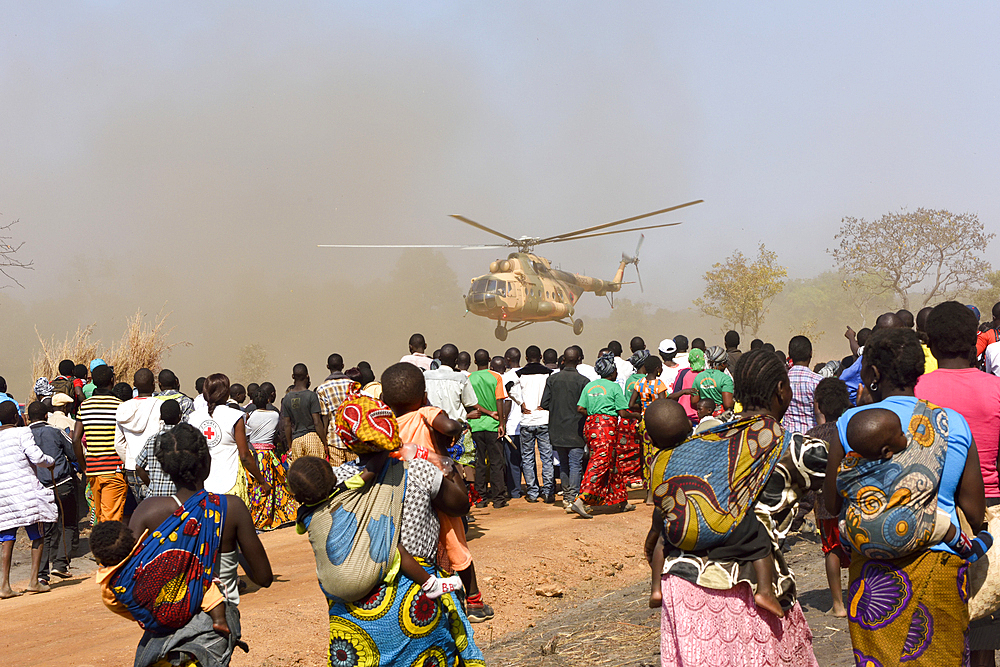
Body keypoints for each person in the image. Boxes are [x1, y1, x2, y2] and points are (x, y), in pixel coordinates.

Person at [825, 327, 985, 665]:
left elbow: (831, 503)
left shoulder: (850, 423)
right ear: (919, 369)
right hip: (940, 567)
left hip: (873, 576)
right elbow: (974, 511)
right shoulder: (953, 423)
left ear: (874, 374)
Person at [655, 349, 819, 666]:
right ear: (781, 390)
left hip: (683, 587)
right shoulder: (795, 448)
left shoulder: (702, 439)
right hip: (746, 589)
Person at [301, 394, 485, 664]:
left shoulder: (334, 480)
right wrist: (443, 456)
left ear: (345, 437)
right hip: (416, 605)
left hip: (355, 619)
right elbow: (460, 506)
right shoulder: (420, 470)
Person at [126, 422, 273, 667]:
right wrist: (229, 544)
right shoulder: (231, 509)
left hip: (161, 629)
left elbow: (127, 571)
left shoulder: (148, 511)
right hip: (214, 629)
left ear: (165, 469)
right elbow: (264, 577)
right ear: (206, 464)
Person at [915, 300, 1000, 664]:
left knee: (936, 638)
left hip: (931, 523)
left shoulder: (913, 390)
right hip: (990, 519)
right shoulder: (996, 389)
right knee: (984, 635)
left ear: (930, 346)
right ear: (973, 344)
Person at [381, 362, 495, 622]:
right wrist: (454, 429)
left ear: (384, 400)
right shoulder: (425, 413)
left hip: (405, 493)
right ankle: (474, 602)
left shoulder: (386, 425)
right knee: (455, 542)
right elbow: (450, 427)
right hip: (438, 489)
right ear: (423, 395)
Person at [90, 519, 230, 636]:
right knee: (201, 580)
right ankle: (219, 620)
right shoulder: (149, 551)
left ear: (98, 556)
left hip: (157, 624)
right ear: (133, 539)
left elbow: (117, 606)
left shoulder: (111, 585)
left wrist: (144, 611)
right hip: (186, 604)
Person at [570, 352, 640, 519]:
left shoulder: (590, 386)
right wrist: (636, 416)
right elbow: (623, 412)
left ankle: (622, 501)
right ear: (612, 372)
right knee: (600, 463)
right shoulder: (614, 387)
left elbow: (580, 408)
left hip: (591, 427)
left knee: (613, 463)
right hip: (606, 428)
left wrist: (595, 414)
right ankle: (580, 501)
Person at [0, 401, 57, 598]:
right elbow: (37, 458)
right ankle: (34, 581)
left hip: (4, 497)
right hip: (26, 495)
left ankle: (4, 585)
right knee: (37, 534)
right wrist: (51, 462)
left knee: (7, 539)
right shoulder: (22, 433)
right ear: (17, 417)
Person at [806, 377, 852, 618]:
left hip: (825, 506)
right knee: (855, 549)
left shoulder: (812, 435)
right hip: (852, 502)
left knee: (831, 550)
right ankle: (857, 597)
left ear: (820, 406)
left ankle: (837, 604)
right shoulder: (850, 428)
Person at [189, 374, 269, 505]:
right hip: (230, 485)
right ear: (226, 393)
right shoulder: (235, 416)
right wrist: (262, 481)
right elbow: (244, 456)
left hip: (202, 486)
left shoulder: (193, 417)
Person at [27, 401, 79, 585]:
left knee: (45, 531)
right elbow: (73, 452)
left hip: (38, 489)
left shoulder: (24, 436)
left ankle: (42, 575)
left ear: (27, 417)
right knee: (68, 524)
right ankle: (61, 564)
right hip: (62, 484)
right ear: (46, 416)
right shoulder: (55, 432)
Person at [74, 364, 126, 523]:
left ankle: (101, 546)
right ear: (112, 380)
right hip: (113, 469)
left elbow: (76, 439)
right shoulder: (119, 406)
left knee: (100, 516)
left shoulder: (85, 406)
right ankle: (108, 547)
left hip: (93, 470)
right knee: (111, 520)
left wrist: (84, 466)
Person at [541, 346, 590, 512]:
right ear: (578, 360)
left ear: (563, 360)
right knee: (575, 464)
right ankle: (573, 499)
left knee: (564, 464)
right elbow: (586, 406)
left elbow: (544, 403)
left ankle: (567, 498)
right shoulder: (584, 382)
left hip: (557, 429)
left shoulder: (552, 380)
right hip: (576, 428)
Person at [244, 388, 296, 530]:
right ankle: (277, 515)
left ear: (253, 401)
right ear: (268, 400)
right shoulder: (274, 415)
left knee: (256, 487)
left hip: (254, 456)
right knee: (275, 485)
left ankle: (257, 517)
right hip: (269, 456)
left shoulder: (249, 416)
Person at [513, 346, 555, 503]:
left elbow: (509, 388)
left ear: (526, 357)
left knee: (528, 458)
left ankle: (532, 492)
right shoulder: (548, 374)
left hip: (527, 420)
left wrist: (521, 403)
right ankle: (548, 491)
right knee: (546, 457)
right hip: (544, 419)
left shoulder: (519, 374)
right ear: (541, 356)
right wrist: (546, 405)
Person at [116, 369, 162, 509]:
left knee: (140, 510)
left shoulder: (123, 408)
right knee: (156, 512)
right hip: (155, 468)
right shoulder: (160, 406)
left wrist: (130, 460)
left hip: (132, 469)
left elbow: (118, 444)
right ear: (154, 385)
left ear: (134, 384)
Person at [468, 349, 508, 508]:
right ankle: (498, 499)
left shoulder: (470, 378)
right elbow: (500, 400)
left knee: (479, 463)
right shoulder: (496, 377)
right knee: (497, 462)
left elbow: (470, 402)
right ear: (490, 360)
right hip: (493, 426)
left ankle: (481, 499)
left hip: (476, 425)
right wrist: (501, 422)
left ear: (475, 362)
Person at [135, 399, 182, 500]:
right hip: (176, 498)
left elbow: (138, 467)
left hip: (154, 498)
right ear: (180, 416)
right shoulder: (184, 440)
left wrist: (151, 485)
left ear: (161, 417)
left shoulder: (152, 439)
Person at [281, 363, 329, 464]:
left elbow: (287, 424)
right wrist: (324, 443)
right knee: (316, 470)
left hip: (296, 441)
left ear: (293, 376)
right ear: (307, 375)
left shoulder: (287, 398)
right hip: (312, 438)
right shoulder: (311, 396)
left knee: (301, 474)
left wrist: (290, 445)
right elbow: (317, 422)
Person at [315, 354, 357, 467]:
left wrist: (324, 442)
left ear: (327, 366)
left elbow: (324, 417)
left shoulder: (322, 389)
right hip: (353, 439)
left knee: (337, 477)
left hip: (334, 439)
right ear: (343, 366)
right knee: (355, 475)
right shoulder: (353, 385)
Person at [783, 336, 822, 434]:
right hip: (811, 437)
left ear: (790, 355)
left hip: (786, 438)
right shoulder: (818, 381)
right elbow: (820, 414)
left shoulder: (781, 381)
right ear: (810, 353)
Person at [500, 347, 524, 500]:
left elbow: (506, 402)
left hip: (512, 424)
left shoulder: (505, 377)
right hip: (528, 422)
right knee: (528, 459)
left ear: (507, 359)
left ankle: (515, 490)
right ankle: (534, 489)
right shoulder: (528, 373)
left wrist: (502, 422)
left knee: (513, 460)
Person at [695, 347, 734, 414]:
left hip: (704, 417)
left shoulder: (699, 377)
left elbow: (694, 401)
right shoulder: (725, 379)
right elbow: (728, 405)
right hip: (721, 418)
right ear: (722, 364)